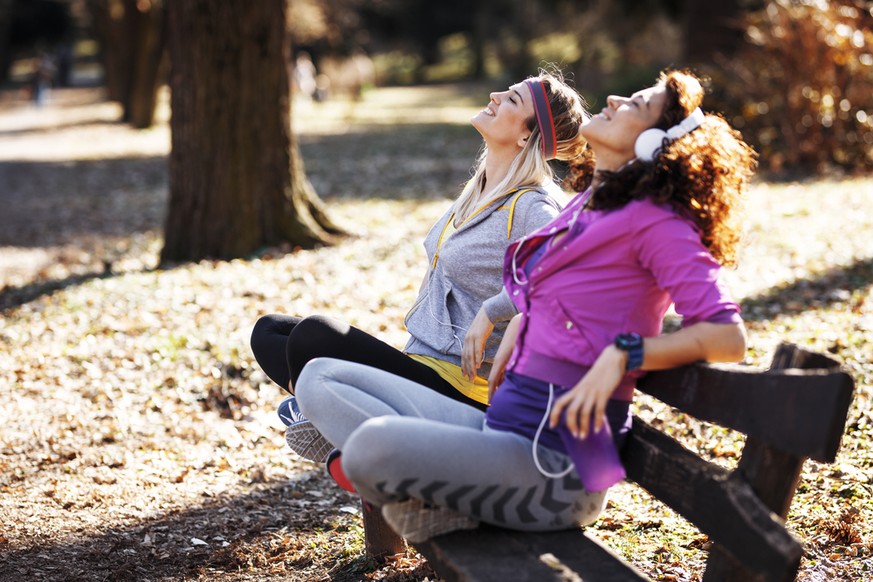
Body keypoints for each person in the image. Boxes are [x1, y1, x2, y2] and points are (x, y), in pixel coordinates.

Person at [294, 69, 757, 542]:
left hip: (553, 469)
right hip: (500, 431)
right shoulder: (591, 206)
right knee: (319, 376)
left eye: (635, 106)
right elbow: (548, 285)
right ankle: (420, 495)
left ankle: (411, 491)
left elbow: (728, 337)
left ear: (654, 146)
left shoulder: (658, 225)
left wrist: (625, 354)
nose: (615, 98)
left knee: (371, 445)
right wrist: (516, 317)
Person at [250, 71, 590, 465]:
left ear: (526, 136)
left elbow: (567, 279)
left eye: (512, 100)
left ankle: (329, 425)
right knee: (271, 332)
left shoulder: (534, 206)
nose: (495, 95)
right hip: (419, 365)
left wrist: (493, 311)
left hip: (462, 393)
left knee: (313, 336)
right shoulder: (480, 190)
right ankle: (329, 421)